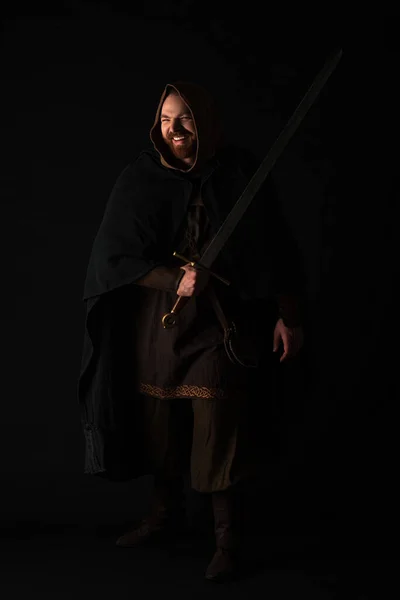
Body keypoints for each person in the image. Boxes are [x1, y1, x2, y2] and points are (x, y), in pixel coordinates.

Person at [78, 81, 306, 582]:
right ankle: (164, 516)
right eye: (165, 119)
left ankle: (226, 539)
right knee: (161, 424)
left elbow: (274, 248)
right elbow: (112, 258)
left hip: (221, 324)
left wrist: (287, 315)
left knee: (219, 428)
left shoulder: (238, 173)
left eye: (185, 119)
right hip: (159, 323)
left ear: (204, 122)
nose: (174, 129)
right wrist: (173, 277)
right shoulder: (140, 177)